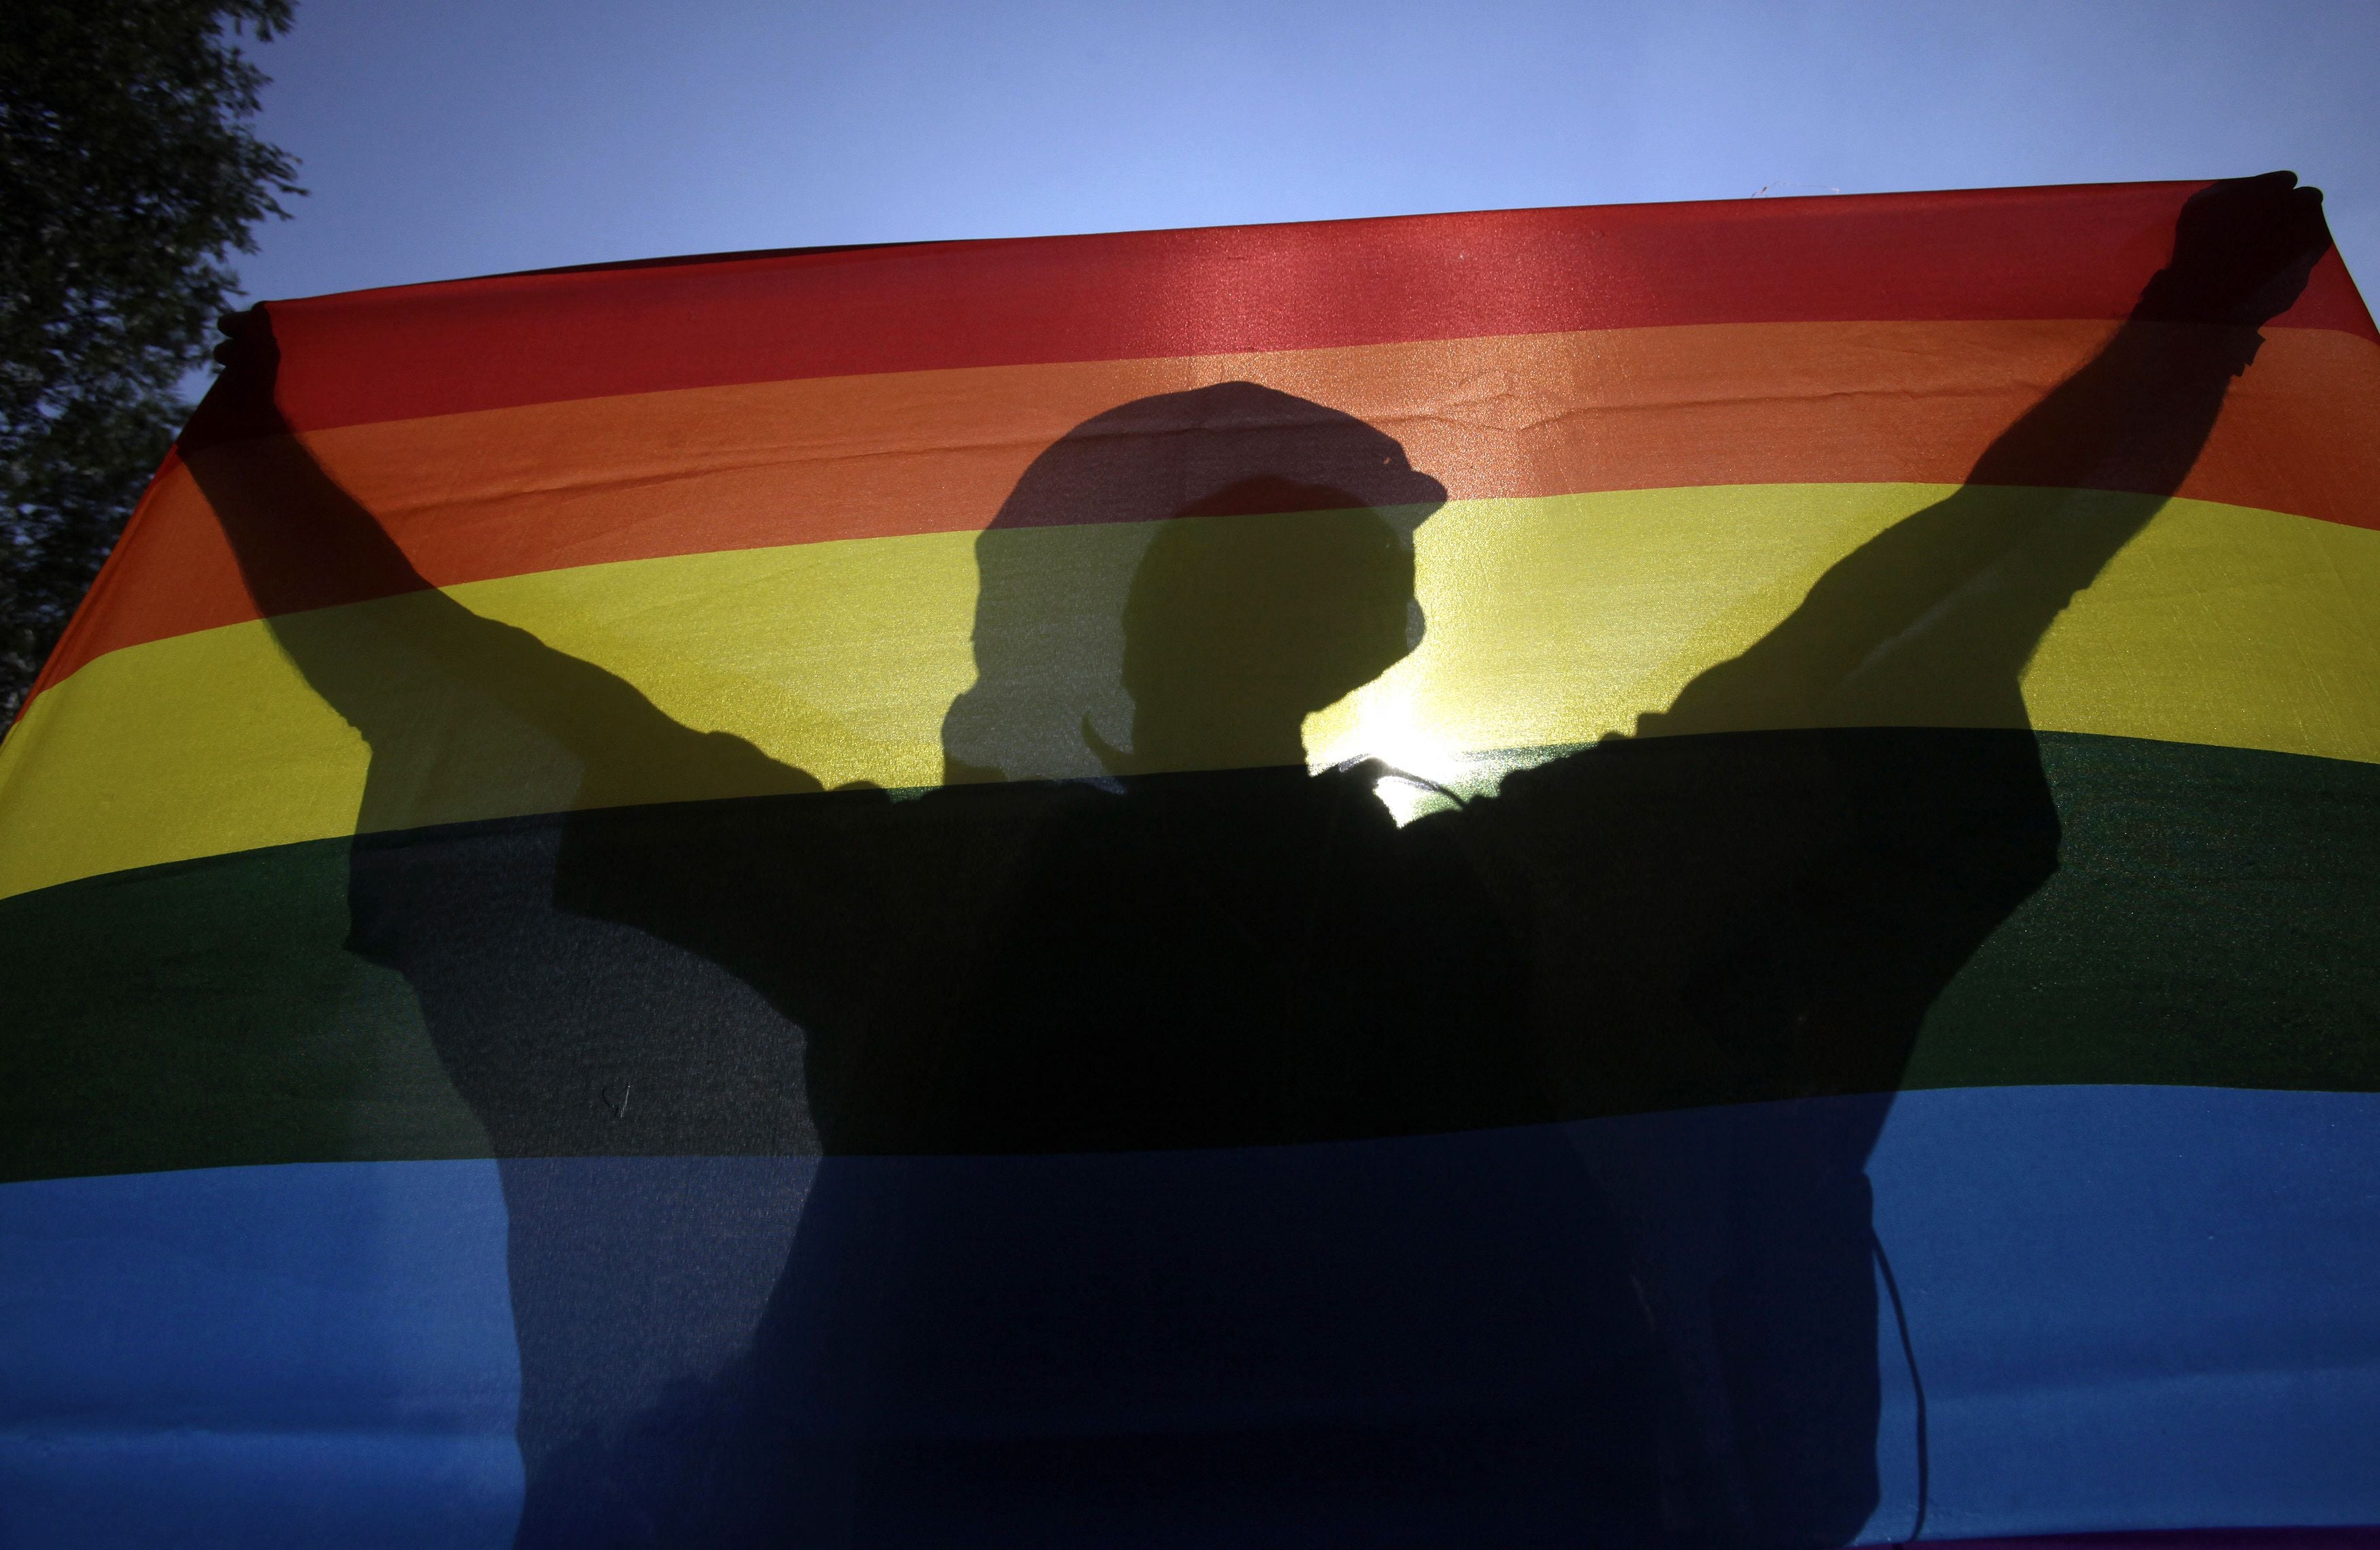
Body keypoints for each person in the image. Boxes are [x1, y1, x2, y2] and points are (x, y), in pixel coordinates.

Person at [186, 172, 2330, 1549]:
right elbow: (476, 682)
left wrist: (2182, 343)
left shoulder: (954, 904)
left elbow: (1929, 599)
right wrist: (264, 472)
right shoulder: (1498, 886)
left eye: (1286, 552)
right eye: (1221, 559)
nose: (1247, 587)